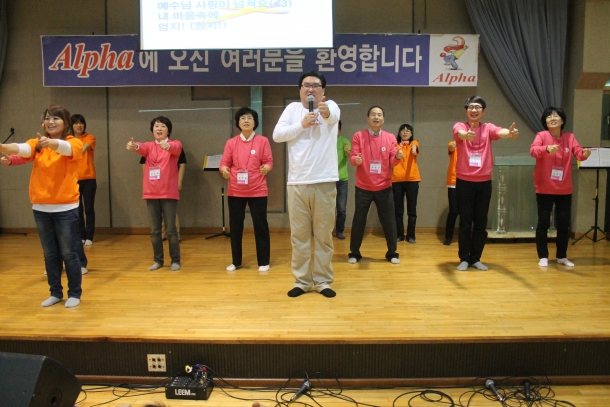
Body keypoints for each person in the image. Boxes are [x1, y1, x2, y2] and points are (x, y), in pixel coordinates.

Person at [0, 105, 84, 307]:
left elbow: (64, 148)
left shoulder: (74, 142)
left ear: (65, 123)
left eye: (55, 118)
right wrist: (3, 148)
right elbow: (22, 149)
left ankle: (74, 293)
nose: (50, 122)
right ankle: (55, 292)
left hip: (66, 208)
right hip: (41, 208)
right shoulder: (37, 143)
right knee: (50, 254)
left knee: (69, 253)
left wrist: (50, 143)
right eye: (47, 118)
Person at [273, 70, 340, 298]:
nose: (310, 89)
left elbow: (332, 116)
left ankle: (322, 281)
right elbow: (277, 135)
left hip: (324, 181)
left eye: (315, 85)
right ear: (300, 89)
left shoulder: (330, 106)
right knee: (299, 237)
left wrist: (325, 111)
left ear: (323, 90)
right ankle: (302, 281)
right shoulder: (292, 109)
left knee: (323, 236)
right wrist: (301, 125)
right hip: (297, 183)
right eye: (306, 85)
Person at [453, 96, 519, 271]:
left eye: (478, 107)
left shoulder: (487, 128)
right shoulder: (460, 126)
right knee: (465, 222)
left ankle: (476, 258)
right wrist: (466, 135)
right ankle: (464, 258)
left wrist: (509, 133)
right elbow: (459, 134)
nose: (474, 110)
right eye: (471, 107)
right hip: (464, 181)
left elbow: (499, 132)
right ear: (466, 110)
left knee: (481, 222)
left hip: (484, 182)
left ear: (483, 111)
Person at [1, 153, 89, 275]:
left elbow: (73, 151)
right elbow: (27, 152)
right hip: (44, 202)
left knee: (70, 241)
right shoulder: (39, 146)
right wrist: (11, 159)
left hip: (65, 202)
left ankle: (80, 264)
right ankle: (55, 267)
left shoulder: (69, 145)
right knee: (50, 244)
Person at [530, 107, 590, 267]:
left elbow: (578, 153)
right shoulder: (541, 136)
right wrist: (546, 149)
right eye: (549, 116)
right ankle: (543, 256)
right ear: (545, 121)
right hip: (544, 187)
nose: (552, 118)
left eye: (556, 116)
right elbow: (533, 151)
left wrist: (584, 154)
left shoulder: (570, 137)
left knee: (563, 224)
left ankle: (562, 256)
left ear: (562, 120)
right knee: (543, 222)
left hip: (564, 188)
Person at [220, 107, 273, 273]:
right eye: (242, 118)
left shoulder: (263, 141)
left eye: (250, 118)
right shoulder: (231, 143)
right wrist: (224, 170)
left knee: (260, 225)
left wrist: (266, 167)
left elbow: (269, 161)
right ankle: (236, 261)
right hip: (236, 191)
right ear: (238, 122)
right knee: (235, 226)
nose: (246, 121)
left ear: (255, 122)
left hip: (258, 190)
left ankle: (263, 261)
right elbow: (224, 162)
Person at [348, 106, 403, 264]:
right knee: (359, 220)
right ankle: (354, 253)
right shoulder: (359, 136)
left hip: (384, 187)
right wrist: (356, 160)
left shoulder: (390, 137)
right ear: (368, 118)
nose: (376, 117)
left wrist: (397, 157)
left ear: (383, 119)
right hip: (363, 187)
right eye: (373, 115)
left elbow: (392, 161)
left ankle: (392, 253)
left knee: (389, 221)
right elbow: (353, 157)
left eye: (379, 115)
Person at [126, 116, 182, 271]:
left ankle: (175, 260)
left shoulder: (175, 144)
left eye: (163, 126)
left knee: (171, 230)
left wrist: (167, 146)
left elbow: (175, 148)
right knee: (155, 231)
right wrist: (134, 146)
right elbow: (141, 147)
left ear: (168, 130)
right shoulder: (150, 146)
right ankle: (158, 260)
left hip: (168, 193)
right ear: (152, 130)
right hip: (151, 193)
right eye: (156, 126)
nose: (159, 128)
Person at [140, 147, 186, 242]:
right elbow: (144, 164)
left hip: (169, 183)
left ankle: (175, 234)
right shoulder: (149, 147)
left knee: (170, 210)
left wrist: (179, 181)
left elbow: (182, 164)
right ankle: (161, 233)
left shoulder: (175, 146)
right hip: (154, 183)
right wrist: (147, 180)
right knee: (156, 211)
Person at [392, 124, 421, 244]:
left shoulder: (414, 143)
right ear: (399, 133)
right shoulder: (394, 144)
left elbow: (415, 146)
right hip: (397, 180)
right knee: (398, 210)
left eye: (408, 131)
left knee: (411, 210)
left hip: (412, 180)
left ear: (411, 134)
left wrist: (413, 147)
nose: (405, 132)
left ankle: (411, 235)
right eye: (403, 130)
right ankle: (399, 234)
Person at [72, 114, 97, 246]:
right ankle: (81, 235)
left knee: (89, 209)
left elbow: (85, 148)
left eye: (81, 123)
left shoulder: (90, 137)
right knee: (77, 209)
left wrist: (73, 152)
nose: (79, 125)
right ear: (71, 126)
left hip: (89, 179)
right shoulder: (68, 140)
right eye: (76, 123)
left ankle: (89, 236)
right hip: (73, 180)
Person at [335, 120, 350, 240]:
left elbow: (350, 154)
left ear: (339, 129)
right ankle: (326, 231)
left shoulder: (345, 141)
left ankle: (339, 231)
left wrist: (347, 151)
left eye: (337, 128)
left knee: (341, 208)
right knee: (327, 208)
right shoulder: (325, 142)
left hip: (342, 179)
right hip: (328, 179)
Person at [444, 140, 459, 245]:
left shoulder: (472, 146)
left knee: (467, 212)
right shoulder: (453, 143)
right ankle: (448, 237)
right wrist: (453, 146)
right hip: (454, 182)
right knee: (453, 210)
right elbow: (451, 148)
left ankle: (465, 237)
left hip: (468, 182)